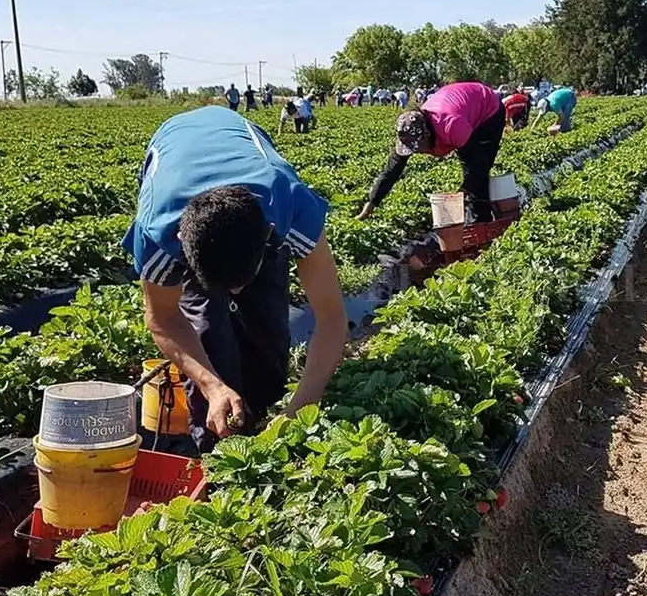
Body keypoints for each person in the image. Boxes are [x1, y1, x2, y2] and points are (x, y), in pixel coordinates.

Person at [121, 106, 347, 454]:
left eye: (243, 279)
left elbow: (331, 316)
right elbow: (163, 318)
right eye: (225, 283)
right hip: (174, 153)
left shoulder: (290, 205)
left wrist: (301, 405)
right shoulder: (156, 235)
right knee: (208, 330)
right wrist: (212, 386)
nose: (236, 292)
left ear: (270, 235)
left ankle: (264, 412)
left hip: (243, 162)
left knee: (268, 323)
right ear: (184, 248)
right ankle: (215, 448)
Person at [357, 82, 506, 224]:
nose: (418, 152)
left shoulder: (452, 126)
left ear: (427, 134)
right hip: (460, 105)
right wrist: (372, 203)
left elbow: (477, 165)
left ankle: (482, 222)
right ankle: (474, 218)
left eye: (418, 147)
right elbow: (392, 170)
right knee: (472, 176)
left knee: (478, 169)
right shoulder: (409, 133)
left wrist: (461, 194)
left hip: (488, 109)